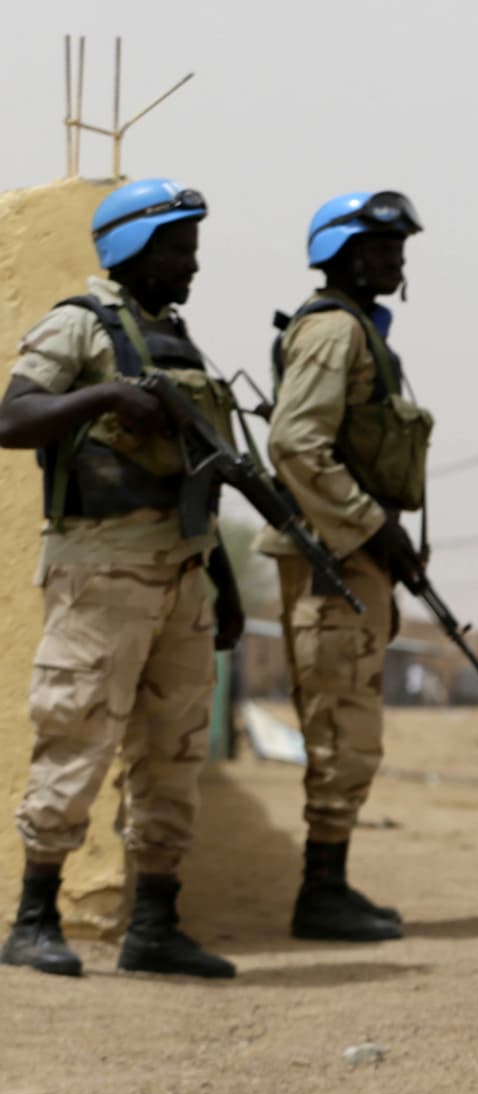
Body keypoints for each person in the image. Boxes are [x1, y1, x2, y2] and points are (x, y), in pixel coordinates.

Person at [0, 178, 244, 979]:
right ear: (134, 248)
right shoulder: (79, 325)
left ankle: (154, 927)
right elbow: (10, 419)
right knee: (75, 740)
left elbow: (197, 475)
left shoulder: (177, 340)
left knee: (173, 754)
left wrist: (222, 580)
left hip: (182, 572)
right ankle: (34, 921)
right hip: (102, 573)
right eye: (178, 250)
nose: (192, 265)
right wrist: (104, 394)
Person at [260, 191, 434, 943]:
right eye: (380, 246)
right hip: (331, 556)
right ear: (340, 254)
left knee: (351, 724)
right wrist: (371, 527)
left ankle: (329, 884)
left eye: (399, 247)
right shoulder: (334, 330)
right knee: (340, 728)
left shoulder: (360, 330)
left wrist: (386, 542)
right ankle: (320, 895)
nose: (395, 259)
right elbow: (295, 443)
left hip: (353, 552)